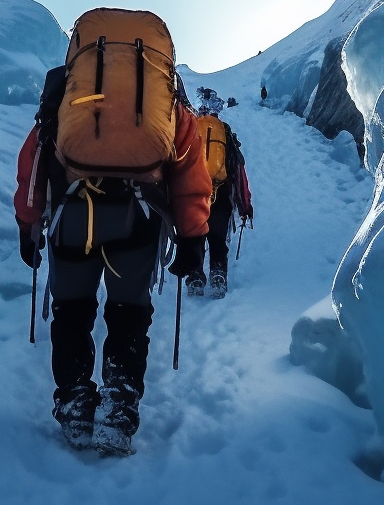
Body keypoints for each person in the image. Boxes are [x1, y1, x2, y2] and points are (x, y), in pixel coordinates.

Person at [14, 67, 211, 457]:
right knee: (129, 313)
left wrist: (27, 224)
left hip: (72, 216)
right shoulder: (164, 97)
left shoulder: (70, 90)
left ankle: (75, 402)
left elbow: (34, 159)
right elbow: (190, 168)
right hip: (137, 218)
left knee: (71, 311)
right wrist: (193, 237)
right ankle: (118, 408)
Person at [186, 110, 254, 299]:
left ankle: (195, 276)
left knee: (196, 236)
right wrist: (245, 206)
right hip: (221, 194)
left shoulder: (191, 133)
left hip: (193, 193)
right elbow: (239, 175)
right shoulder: (227, 139)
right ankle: (218, 274)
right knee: (218, 238)